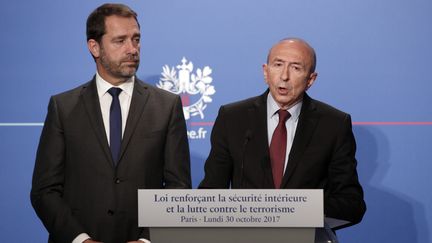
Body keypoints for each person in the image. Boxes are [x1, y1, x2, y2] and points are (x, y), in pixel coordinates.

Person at [30, 3, 191, 243]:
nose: (132, 49)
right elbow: (45, 191)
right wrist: (80, 239)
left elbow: (178, 188)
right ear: (94, 47)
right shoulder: (63, 107)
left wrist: (148, 239)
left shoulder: (166, 106)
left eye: (136, 39)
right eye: (120, 41)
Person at [199, 38, 366, 228]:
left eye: (296, 68)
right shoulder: (233, 118)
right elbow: (210, 193)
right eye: (278, 65)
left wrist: (295, 209)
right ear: (265, 71)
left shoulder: (334, 124)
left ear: (311, 79)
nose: (284, 76)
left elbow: (352, 204)